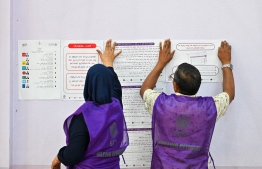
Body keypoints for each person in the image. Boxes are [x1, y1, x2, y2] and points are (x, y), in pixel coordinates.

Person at [140, 39, 235, 168]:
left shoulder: (160, 103)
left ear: (175, 85)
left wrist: (161, 63)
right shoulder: (210, 107)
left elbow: (144, 90)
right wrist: (226, 63)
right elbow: (229, 93)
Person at [51, 39, 129, 169]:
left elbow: (73, 155)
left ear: (88, 86)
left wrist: (58, 158)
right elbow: (116, 89)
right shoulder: (116, 107)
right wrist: (109, 65)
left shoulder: (83, 117)